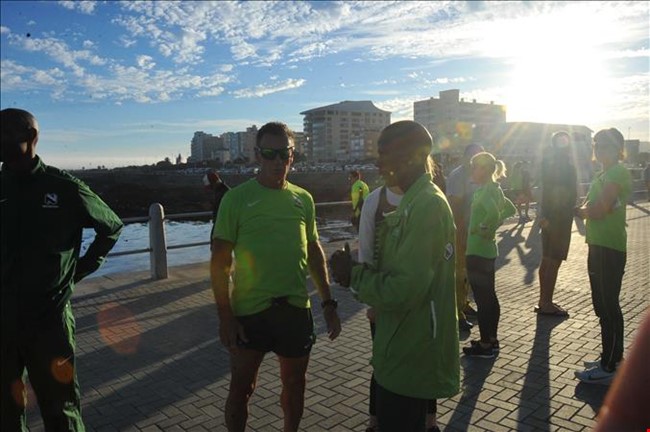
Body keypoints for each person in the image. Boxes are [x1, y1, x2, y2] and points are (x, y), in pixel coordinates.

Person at [210, 122, 341, 432]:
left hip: (295, 311)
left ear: (293, 155)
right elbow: (220, 261)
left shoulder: (303, 199)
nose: (278, 161)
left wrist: (328, 303)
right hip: (249, 312)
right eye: (269, 154)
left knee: (295, 384)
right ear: (257, 155)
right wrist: (225, 316)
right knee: (242, 388)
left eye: (285, 154)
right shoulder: (236, 199)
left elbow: (314, 252)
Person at [330, 121, 459, 432]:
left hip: (411, 351)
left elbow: (404, 289)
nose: (379, 164)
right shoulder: (414, 201)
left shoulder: (427, 205)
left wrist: (353, 276)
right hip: (398, 343)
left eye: (385, 154)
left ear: (414, 157)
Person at [1, 108, 124, 431]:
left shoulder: (64, 187)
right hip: (3, 321)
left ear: (30, 137)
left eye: (3, 133)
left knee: (60, 411)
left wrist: (77, 272)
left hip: (49, 322)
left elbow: (111, 226)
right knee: (5, 412)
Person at [358, 159, 444, 432]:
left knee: (424, 360)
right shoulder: (374, 201)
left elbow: (440, 258)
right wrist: (373, 303)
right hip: (386, 303)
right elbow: (366, 257)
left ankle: (430, 420)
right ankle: (376, 420)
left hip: (423, 304)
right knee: (383, 363)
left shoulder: (430, 199)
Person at [574, 128, 632, 385]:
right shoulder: (603, 174)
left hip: (609, 247)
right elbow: (594, 207)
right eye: (596, 144)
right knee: (602, 305)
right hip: (598, 245)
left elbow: (600, 209)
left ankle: (610, 366)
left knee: (608, 305)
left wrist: (581, 211)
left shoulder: (617, 172)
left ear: (618, 149)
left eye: (606, 145)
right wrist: (586, 209)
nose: (599, 149)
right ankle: (611, 357)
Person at [462, 152, 516, 358]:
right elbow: (510, 208)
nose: (471, 170)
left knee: (483, 300)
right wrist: (493, 225)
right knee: (490, 297)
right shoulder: (496, 189)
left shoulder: (485, 191)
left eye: (474, 166)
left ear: (484, 170)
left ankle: (485, 344)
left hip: (477, 251)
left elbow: (493, 214)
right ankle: (491, 340)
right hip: (488, 251)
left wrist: (482, 229)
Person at [535, 132, 577, 316]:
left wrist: (544, 215)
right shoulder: (567, 167)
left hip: (548, 217)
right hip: (559, 219)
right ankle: (546, 303)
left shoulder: (547, 164)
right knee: (554, 261)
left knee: (546, 259)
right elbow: (566, 196)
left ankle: (543, 300)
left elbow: (546, 193)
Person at [446, 143, 484, 332]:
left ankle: (464, 304)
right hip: (460, 232)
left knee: (467, 273)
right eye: (474, 156)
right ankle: (456, 314)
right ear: (466, 156)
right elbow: (454, 205)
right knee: (458, 273)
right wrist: (459, 233)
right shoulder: (458, 175)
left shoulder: (478, 175)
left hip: (475, 233)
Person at [203, 170, 230, 246]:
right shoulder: (222, 190)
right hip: (222, 226)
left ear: (214, 183)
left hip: (222, 227)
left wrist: (212, 206)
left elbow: (224, 209)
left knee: (217, 248)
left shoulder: (224, 193)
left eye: (211, 187)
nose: (211, 189)